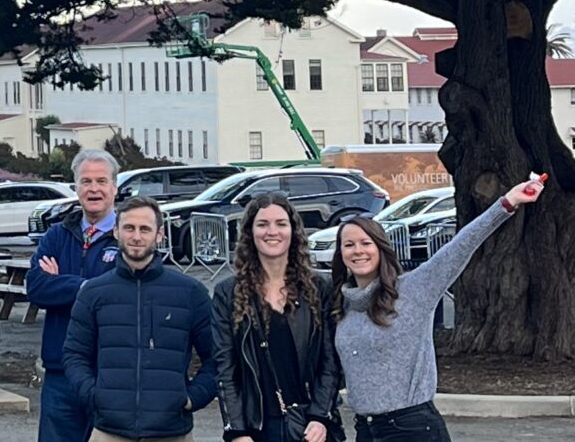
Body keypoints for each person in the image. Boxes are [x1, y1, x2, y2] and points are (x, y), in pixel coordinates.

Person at [332, 174, 546, 442]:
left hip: (412, 429)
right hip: (365, 429)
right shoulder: (342, 306)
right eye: (349, 245)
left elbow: (459, 248)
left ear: (381, 248)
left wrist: (508, 203)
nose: (358, 251)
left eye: (366, 243)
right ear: (340, 254)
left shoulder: (413, 289)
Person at [63, 197, 218, 442]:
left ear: (159, 235)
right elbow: (74, 355)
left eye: (145, 229)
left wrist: (193, 397)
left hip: (172, 431)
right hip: (109, 431)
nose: (136, 237)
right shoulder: (94, 293)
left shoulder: (190, 292)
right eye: (129, 228)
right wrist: (95, 396)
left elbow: (217, 357)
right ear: (116, 231)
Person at [212, 194, 341, 442]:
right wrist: (237, 430)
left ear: (293, 230)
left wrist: (320, 416)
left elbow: (330, 361)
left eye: (281, 223)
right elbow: (225, 367)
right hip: (257, 428)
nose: (272, 231)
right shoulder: (227, 293)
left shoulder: (318, 288)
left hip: (310, 425)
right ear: (250, 231)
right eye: (263, 224)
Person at [26, 149, 122, 442]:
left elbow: (119, 296)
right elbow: (36, 287)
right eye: (86, 181)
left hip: (108, 372)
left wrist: (64, 283)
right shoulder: (56, 234)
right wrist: (87, 286)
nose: (94, 189)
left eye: (101, 181)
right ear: (76, 187)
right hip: (60, 372)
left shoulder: (127, 236)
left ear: (114, 188)